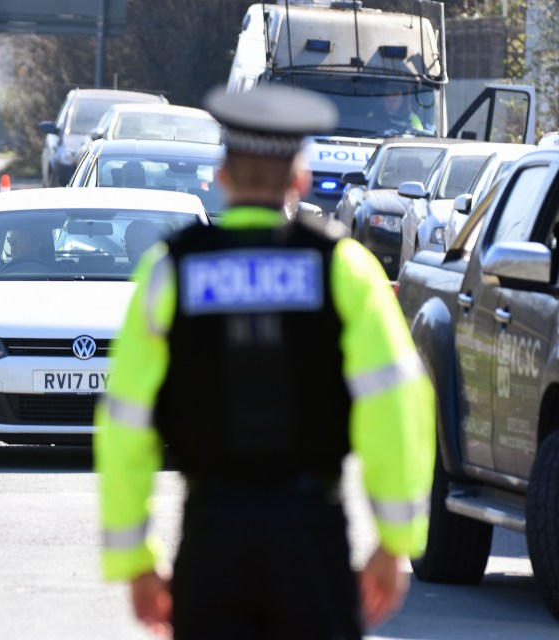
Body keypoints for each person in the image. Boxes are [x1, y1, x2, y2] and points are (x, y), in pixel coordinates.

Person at [95, 84, 435, 639]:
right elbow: (396, 406)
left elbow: (125, 421)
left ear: (223, 176)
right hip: (311, 535)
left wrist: (133, 557)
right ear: (299, 178)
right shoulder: (344, 269)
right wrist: (394, 542)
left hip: (212, 537)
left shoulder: (169, 271)